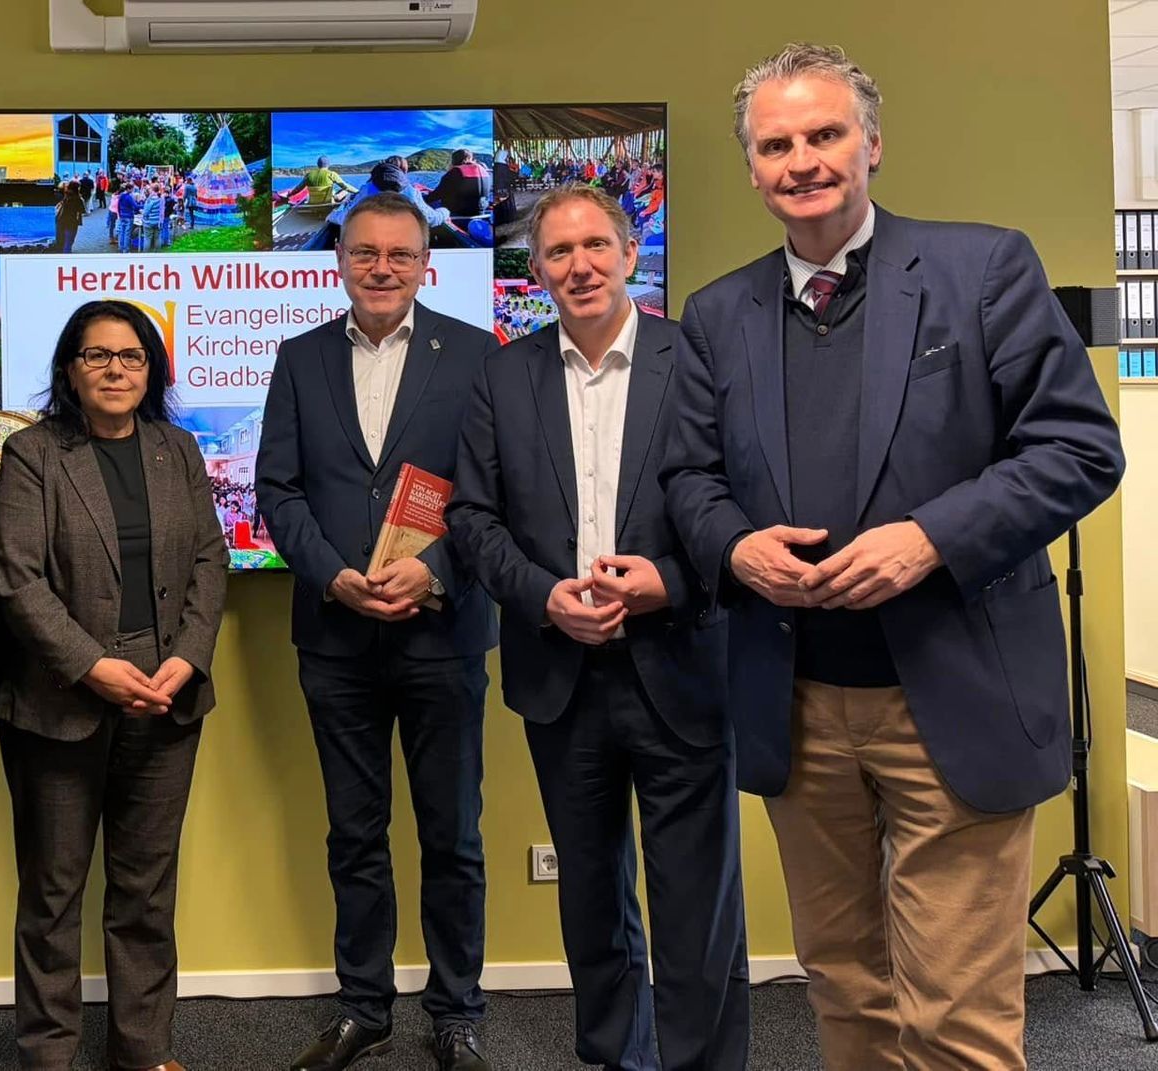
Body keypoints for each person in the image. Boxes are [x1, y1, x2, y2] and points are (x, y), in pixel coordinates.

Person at [660, 43, 1125, 1071]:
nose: (802, 160)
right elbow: (688, 478)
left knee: (954, 1017)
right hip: (798, 705)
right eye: (776, 145)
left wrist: (930, 539)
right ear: (752, 168)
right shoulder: (718, 314)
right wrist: (736, 547)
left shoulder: (983, 269)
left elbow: (1080, 448)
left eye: (824, 134)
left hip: (953, 695)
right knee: (846, 988)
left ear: (871, 143)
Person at [448, 185, 747, 1071]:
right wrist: (544, 596)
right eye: (558, 251)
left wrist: (672, 582)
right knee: (589, 896)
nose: (578, 265)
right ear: (536, 269)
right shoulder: (504, 374)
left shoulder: (695, 360)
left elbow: (745, 503)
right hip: (560, 675)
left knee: (697, 902)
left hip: (680, 663)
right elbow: (472, 517)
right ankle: (621, 1057)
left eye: (594, 246)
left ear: (628, 253)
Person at [255, 193, 498, 1071]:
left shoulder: (476, 354)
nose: (382, 268)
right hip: (336, 637)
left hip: (443, 632)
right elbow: (278, 489)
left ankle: (457, 1013)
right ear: (340, 260)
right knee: (353, 834)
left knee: (452, 835)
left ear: (427, 264)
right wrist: (334, 575)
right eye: (365, 253)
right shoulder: (300, 357)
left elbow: (493, 491)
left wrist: (432, 569)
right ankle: (365, 1007)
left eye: (400, 254)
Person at [0, 300, 228, 1071]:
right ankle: (48, 1055)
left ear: (151, 370)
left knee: (145, 891)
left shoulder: (177, 449)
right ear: (70, 369)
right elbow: (18, 579)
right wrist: (94, 666)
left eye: (131, 356)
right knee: (53, 893)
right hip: (62, 700)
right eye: (97, 355)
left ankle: (143, 1051)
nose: (115, 369)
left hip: (167, 695)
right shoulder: (33, 453)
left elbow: (209, 559)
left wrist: (188, 656)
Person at [425, 148, 492, 219]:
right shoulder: (484, 171)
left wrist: (423, 200)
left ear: (454, 161)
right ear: (471, 159)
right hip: (480, 212)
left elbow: (436, 195)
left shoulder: (455, 172)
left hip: (458, 214)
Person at [289, 154, 360, 206]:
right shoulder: (331, 174)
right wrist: (358, 192)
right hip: (328, 203)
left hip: (312, 203)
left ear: (318, 165)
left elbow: (298, 189)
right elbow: (346, 186)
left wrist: (290, 194)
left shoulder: (309, 175)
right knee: (345, 191)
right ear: (328, 165)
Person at [55, 181, 86, 253]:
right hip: (72, 222)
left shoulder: (65, 195)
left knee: (62, 240)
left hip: (61, 220)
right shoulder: (78, 198)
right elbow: (82, 210)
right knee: (69, 241)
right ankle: (67, 255)